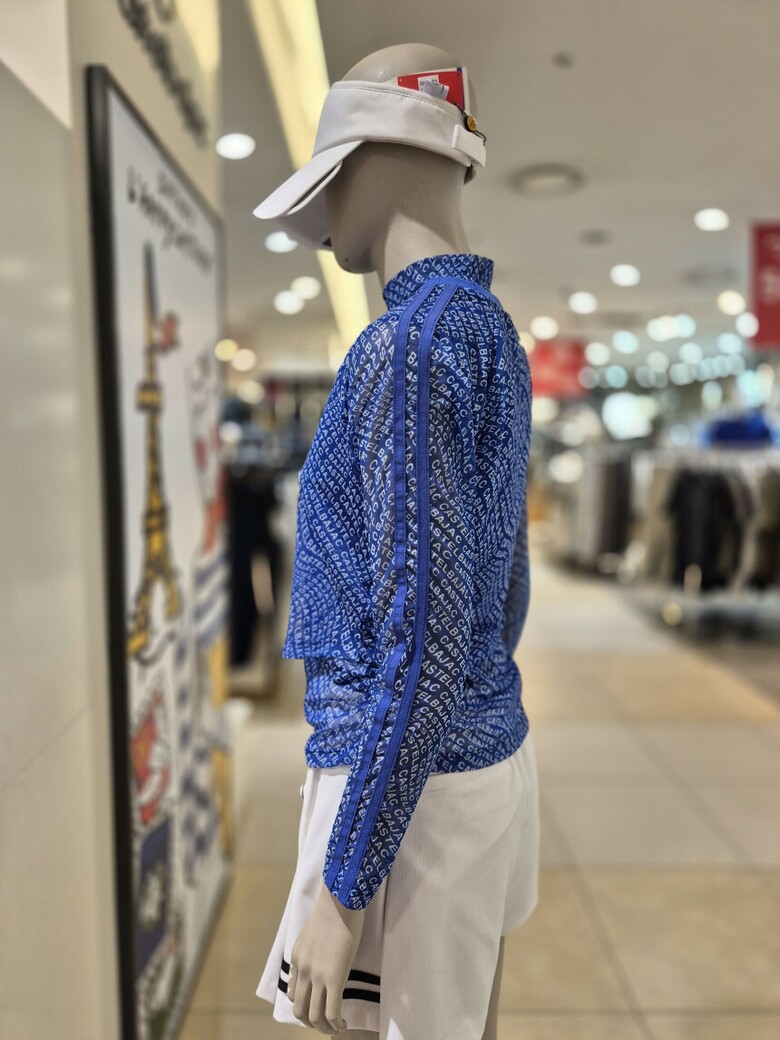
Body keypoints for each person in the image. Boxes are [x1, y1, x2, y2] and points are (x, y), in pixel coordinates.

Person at [253, 42, 538, 1040]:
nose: (327, 211)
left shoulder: (407, 345)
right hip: (479, 763)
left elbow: (422, 640)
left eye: (333, 179)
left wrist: (344, 890)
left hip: (402, 796)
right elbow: (504, 588)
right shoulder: (490, 329)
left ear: (374, 159)